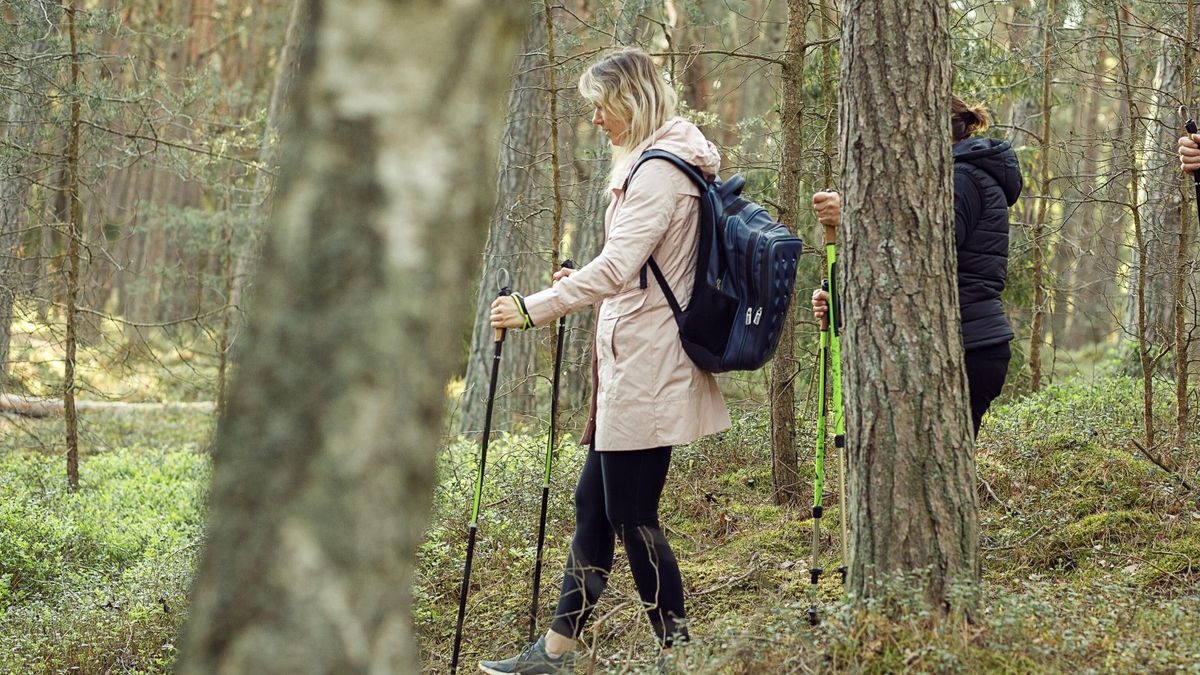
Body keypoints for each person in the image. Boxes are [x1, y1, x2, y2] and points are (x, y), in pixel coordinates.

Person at [481, 47, 731, 674]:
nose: (596, 120)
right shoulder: (659, 164)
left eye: (601, 107)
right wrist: (579, 280)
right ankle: (558, 651)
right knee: (595, 508)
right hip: (635, 360)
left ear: (631, 101)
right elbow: (633, 268)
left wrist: (534, 306)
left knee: (631, 514)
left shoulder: (659, 171)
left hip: (648, 367)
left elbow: (619, 268)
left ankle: (678, 652)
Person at [811, 97, 1023, 436]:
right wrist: (838, 300)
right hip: (963, 344)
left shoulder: (963, 178)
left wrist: (850, 216)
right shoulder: (953, 178)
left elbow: (924, 252)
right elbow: (902, 277)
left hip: (966, 348)